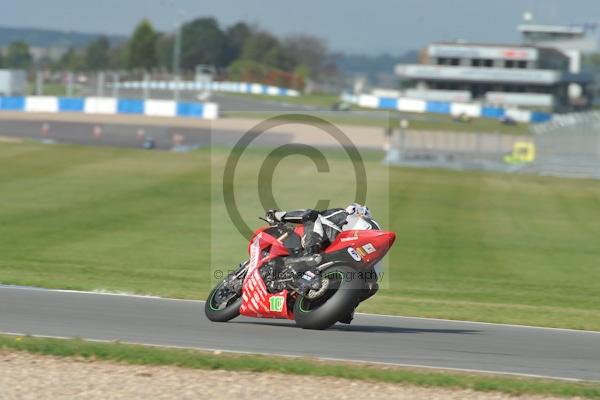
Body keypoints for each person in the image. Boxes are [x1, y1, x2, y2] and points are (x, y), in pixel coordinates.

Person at [266, 203, 371, 256]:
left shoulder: (343, 214)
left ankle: (277, 216)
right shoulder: (360, 232)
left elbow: (318, 216)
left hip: (321, 245)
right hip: (331, 251)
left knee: (312, 215)